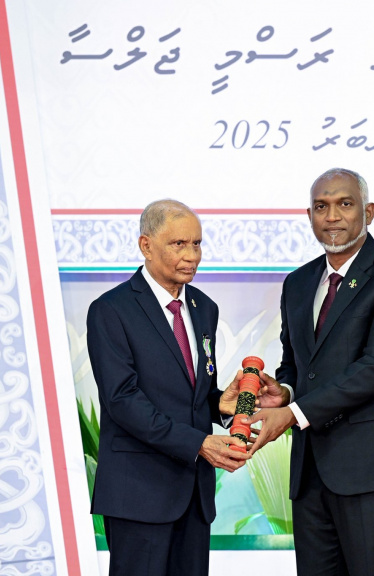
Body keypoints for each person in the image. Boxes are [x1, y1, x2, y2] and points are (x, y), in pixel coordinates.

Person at [247, 168, 374, 576]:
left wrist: (293, 414)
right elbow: (296, 363)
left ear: (369, 212)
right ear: (309, 215)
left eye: (345, 204)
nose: (332, 216)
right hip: (311, 475)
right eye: (321, 206)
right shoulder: (298, 283)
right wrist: (284, 392)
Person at [86, 199, 249, 576]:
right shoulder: (111, 310)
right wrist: (198, 443)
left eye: (197, 244)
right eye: (179, 244)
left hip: (194, 495)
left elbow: (191, 395)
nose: (191, 255)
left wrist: (220, 405)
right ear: (146, 246)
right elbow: (122, 400)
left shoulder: (204, 307)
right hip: (138, 493)